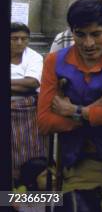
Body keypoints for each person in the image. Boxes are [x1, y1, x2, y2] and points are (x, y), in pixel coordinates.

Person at [37, 0, 102, 211]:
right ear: (71, 31)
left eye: (96, 34)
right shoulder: (54, 61)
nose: (88, 43)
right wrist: (97, 107)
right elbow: (45, 122)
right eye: (80, 34)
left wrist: (74, 111)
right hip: (77, 162)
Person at [10, 22, 46, 183]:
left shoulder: (34, 57)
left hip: (27, 110)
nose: (19, 43)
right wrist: (19, 84)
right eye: (14, 38)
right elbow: (24, 83)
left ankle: (28, 187)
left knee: (29, 152)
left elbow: (32, 83)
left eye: (24, 39)